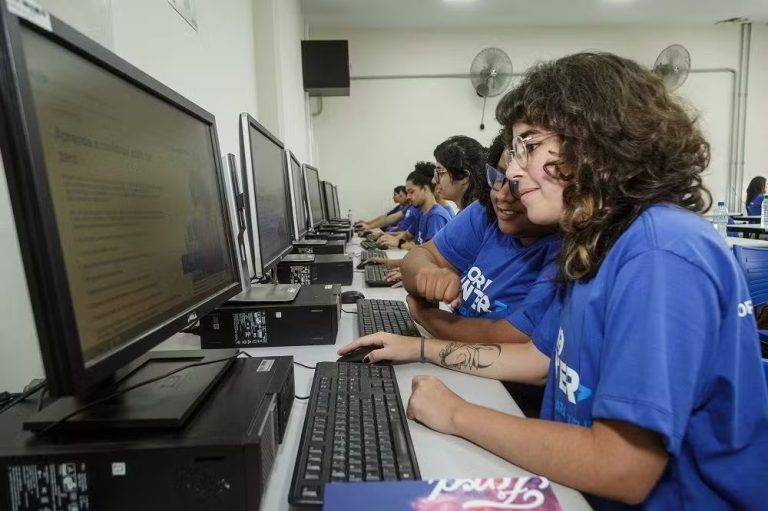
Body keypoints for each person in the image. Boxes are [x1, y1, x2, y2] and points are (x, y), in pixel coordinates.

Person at [339, 52, 768, 509]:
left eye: (529, 145)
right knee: (359, 494)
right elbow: (538, 360)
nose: (513, 171)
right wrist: (419, 349)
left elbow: (623, 468)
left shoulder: (659, 253)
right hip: (571, 487)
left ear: (598, 141)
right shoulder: (596, 240)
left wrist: (458, 414)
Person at [377, 166, 454, 251]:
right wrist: (387, 238)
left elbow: (430, 251)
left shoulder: (436, 216)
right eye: (407, 193)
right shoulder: (422, 213)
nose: (408, 197)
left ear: (425, 189)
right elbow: (407, 235)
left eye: (411, 192)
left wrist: (399, 243)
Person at [432, 135, 486, 210]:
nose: (434, 181)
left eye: (440, 172)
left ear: (464, 177)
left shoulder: (476, 215)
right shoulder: (474, 211)